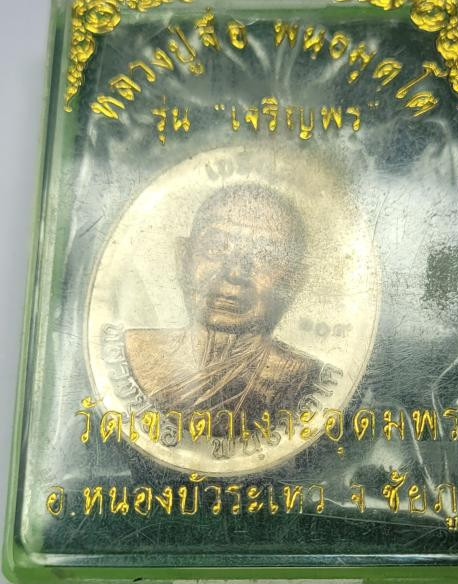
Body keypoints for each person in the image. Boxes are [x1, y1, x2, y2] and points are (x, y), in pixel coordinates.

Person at [124, 182, 328, 428]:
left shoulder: (308, 381)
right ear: (183, 258)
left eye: (265, 256)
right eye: (216, 248)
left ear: (294, 281)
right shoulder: (126, 353)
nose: (234, 272)